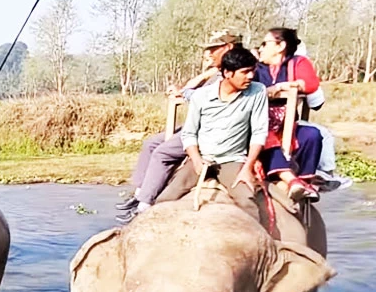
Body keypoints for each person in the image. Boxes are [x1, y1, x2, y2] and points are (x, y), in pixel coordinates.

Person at [115, 30, 239, 223]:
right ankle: (139, 194)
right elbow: (191, 89)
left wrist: (186, 91)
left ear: (228, 47)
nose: (209, 54)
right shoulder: (219, 72)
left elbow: (197, 94)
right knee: (150, 143)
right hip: (199, 124)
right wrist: (207, 73)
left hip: (211, 129)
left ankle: (144, 206)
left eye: (213, 49)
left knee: (163, 153)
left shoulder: (235, 72)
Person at [175, 46, 269, 221]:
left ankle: (260, 246)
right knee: (164, 199)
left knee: (247, 201)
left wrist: (247, 168)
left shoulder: (257, 91)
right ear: (227, 73)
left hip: (231, 160)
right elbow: (189, 133)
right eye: (245, 72)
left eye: (252, 71)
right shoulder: (201, 96)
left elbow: (259, 132)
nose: (250, 76)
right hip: (202, 158)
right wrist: (196, 160)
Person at [255, 27, 323, 201]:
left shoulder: (297, 63)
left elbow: (310, 84)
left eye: (264, 43)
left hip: (287, 126)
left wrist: (284, 86)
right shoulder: (255, 68)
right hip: (259, 124)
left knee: (312, 135)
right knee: (264, 137)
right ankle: (287, 178)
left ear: (280, 46)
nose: (260, 48)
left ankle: (305, 183)